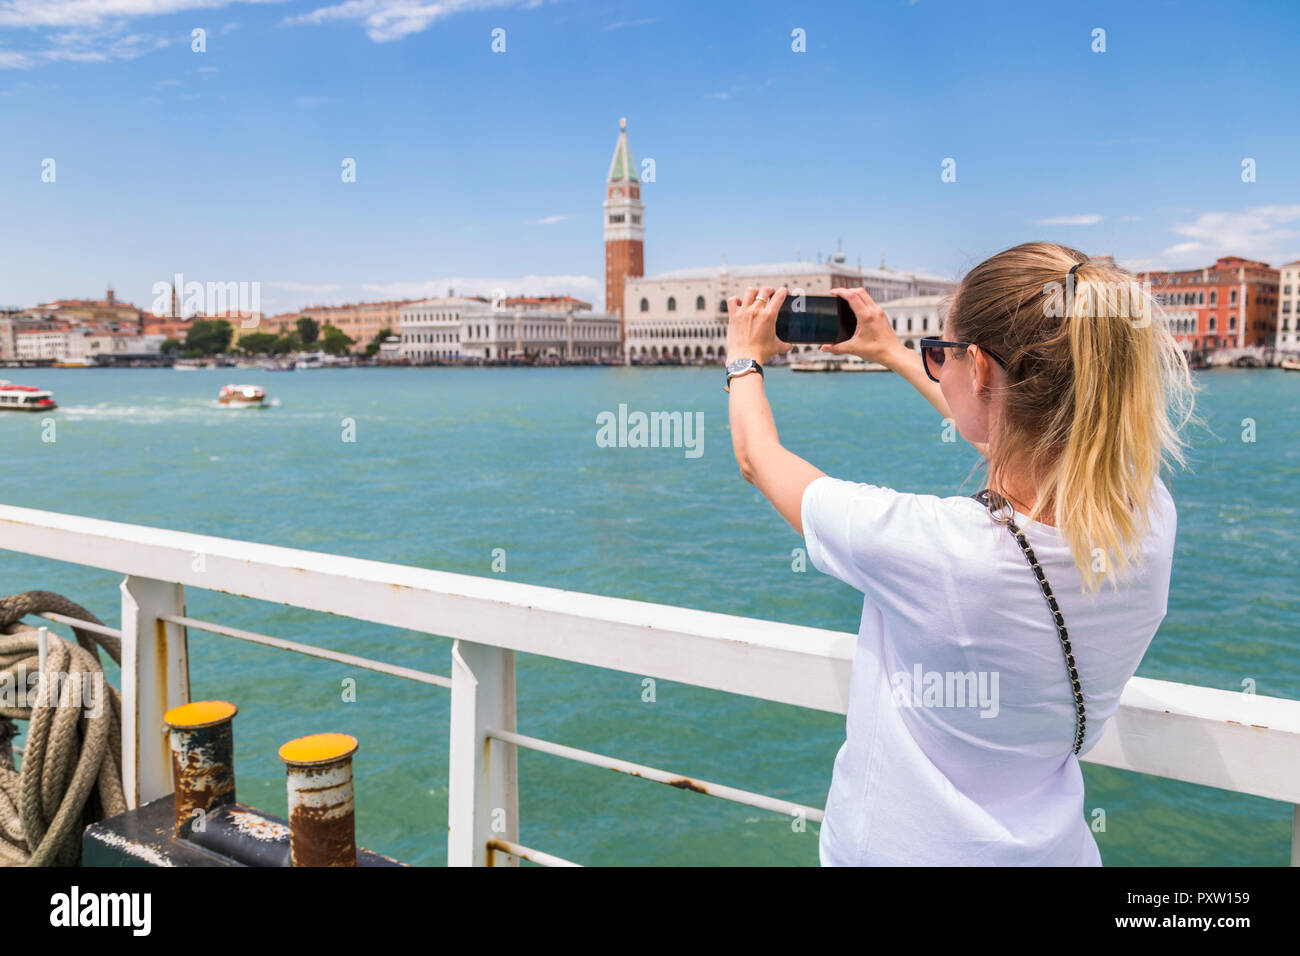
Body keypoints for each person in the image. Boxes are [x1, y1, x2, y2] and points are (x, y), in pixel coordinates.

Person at [724, 242, 1195, 865]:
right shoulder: (1149, 517)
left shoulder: (933, 547)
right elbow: (1012, 423)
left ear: (977, 370)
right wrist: (892, 351)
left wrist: (743, 360)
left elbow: (760, 459)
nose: (936, 367)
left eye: (941, 355)